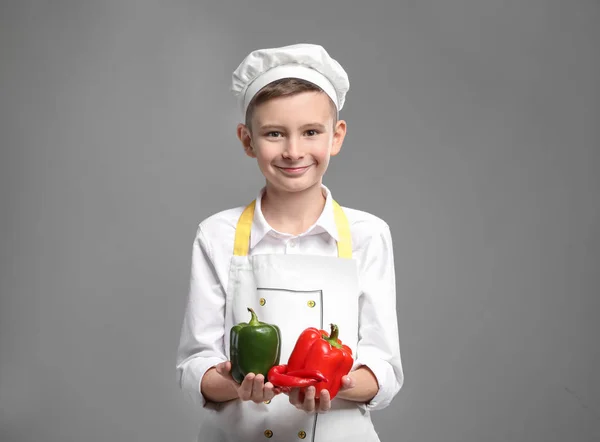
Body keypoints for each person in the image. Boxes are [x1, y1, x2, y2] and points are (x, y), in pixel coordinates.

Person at [176, 43, 403, 442]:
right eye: (274, 134)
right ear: (248, 141)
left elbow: (383, 365)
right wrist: (237, 384)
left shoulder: (368, 235)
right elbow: (198, 365)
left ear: (336, 136)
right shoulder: (217, 235)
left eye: (311, 132)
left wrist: (335, 384)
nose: (293, 151)